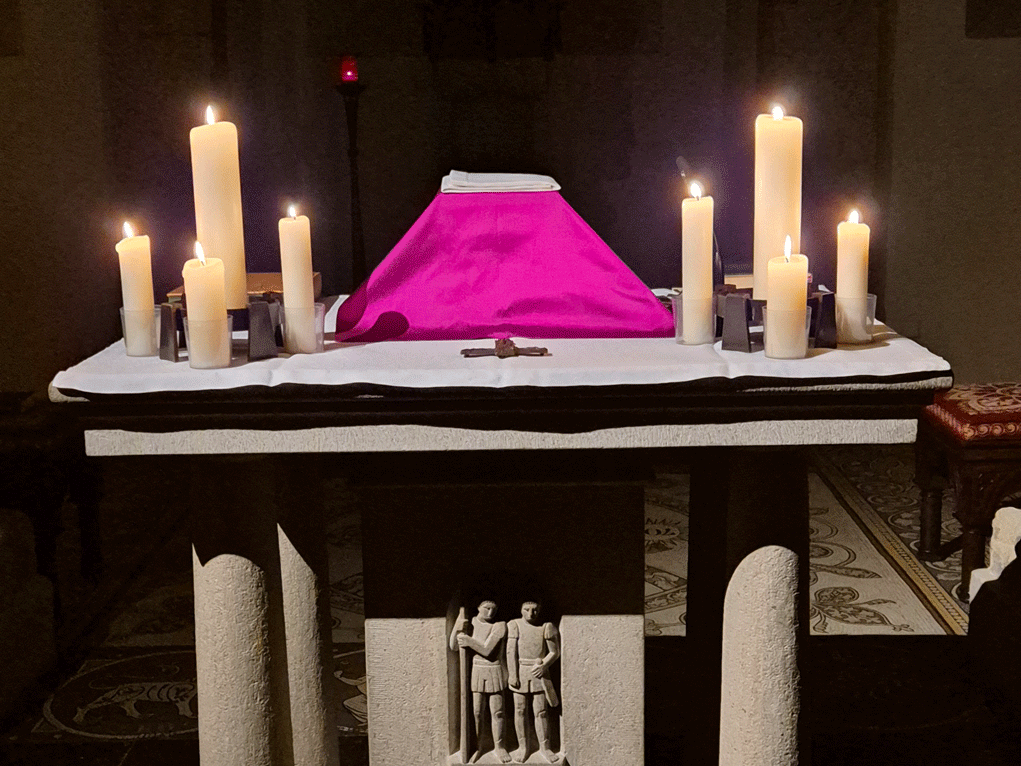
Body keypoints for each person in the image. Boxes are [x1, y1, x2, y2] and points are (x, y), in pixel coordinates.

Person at [450, 600, 511, 763]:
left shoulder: (500, 625)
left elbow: (488, 650)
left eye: (494, 609)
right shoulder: (470, 623)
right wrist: (457, 626)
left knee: (497, 711)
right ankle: (477, 746)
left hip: (494, 669)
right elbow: (454, 646)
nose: (490, 612)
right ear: (478, 607)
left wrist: (469, 641)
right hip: (477, 670)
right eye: (487, 608)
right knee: (477, 712)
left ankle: (499, 746)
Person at [507, 601, 561, 763]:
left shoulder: (546, 627)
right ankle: (523, 747)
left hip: (538, 673)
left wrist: (544, 665)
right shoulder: (514, 625)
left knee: (541, 711)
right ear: (521, 610)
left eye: (535, 610)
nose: (531, 613)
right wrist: (512, 674)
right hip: (521, 671)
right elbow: (510, 652)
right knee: (520, 710)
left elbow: (554, 652)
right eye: (527, 609)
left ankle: (545, 747)